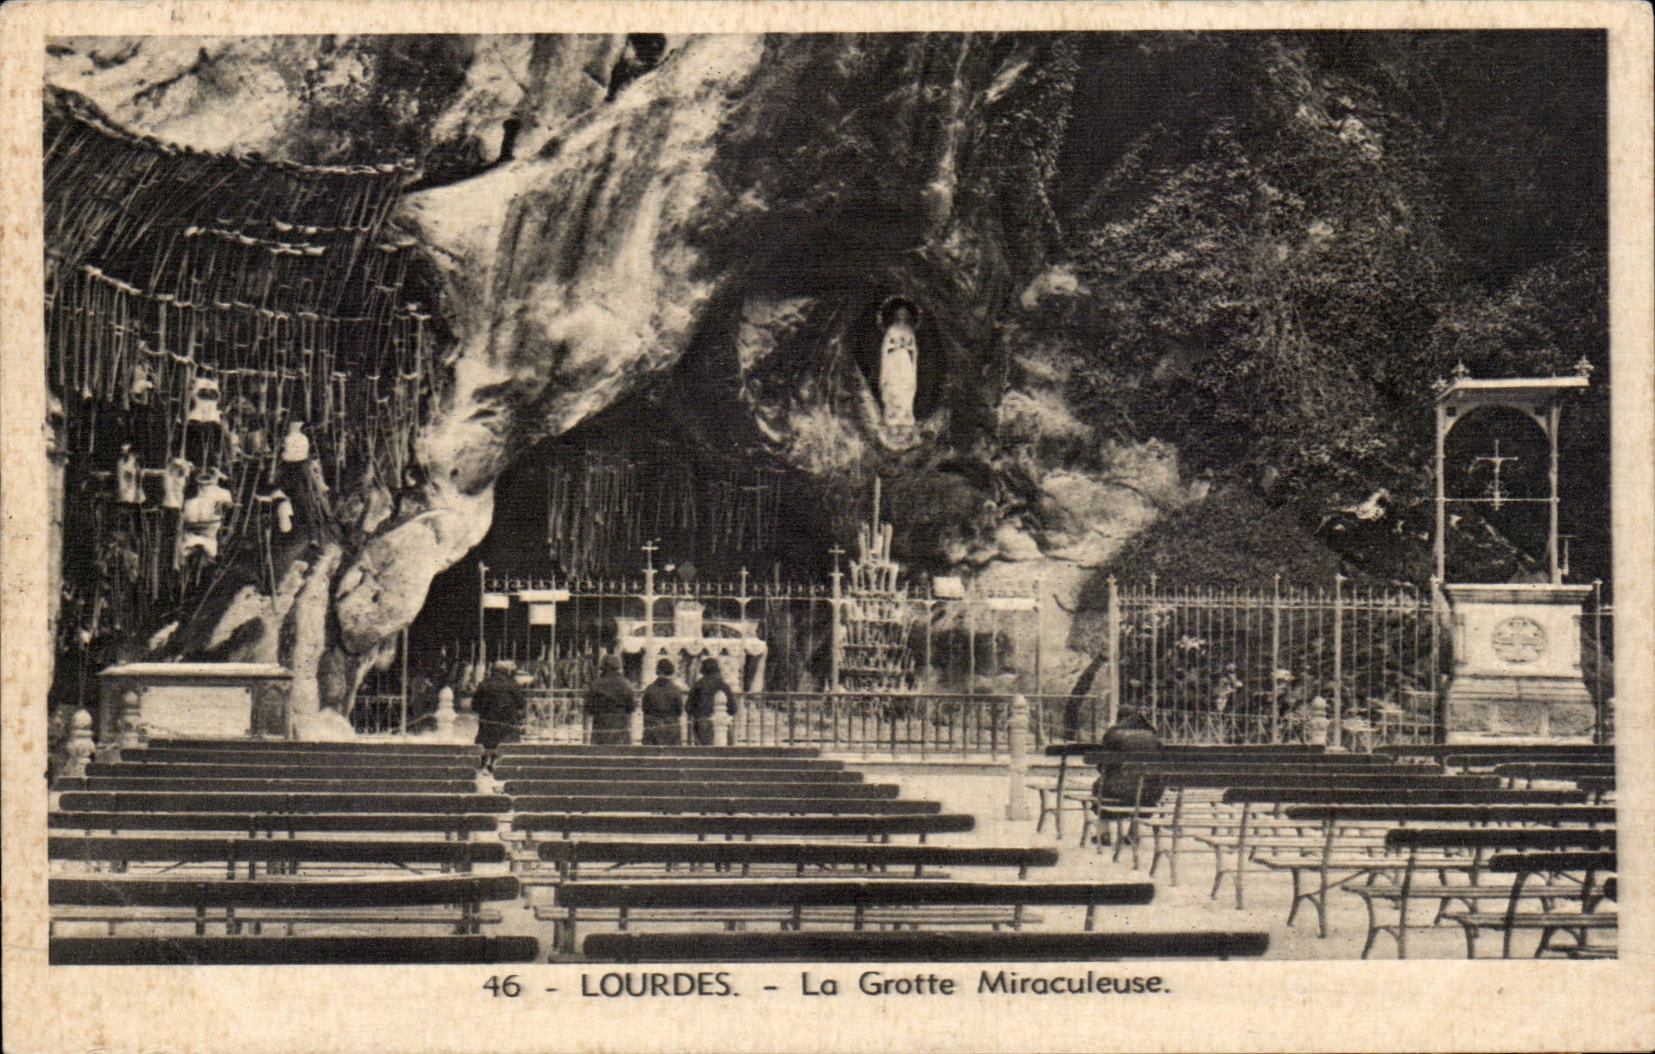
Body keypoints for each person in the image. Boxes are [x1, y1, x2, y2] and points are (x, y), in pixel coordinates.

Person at [1089, 708, 1164, 847]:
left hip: (1120, 789)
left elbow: (1103, 766)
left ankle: (1103, 832)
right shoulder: (1152, 735)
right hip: (1152, 792)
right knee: (1143, 785)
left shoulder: (1113, 734)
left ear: (1120, 719)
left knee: (1100, 786)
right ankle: (1134, 833)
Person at [470, 662, 527, 770]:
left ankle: (483, 763)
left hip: (487, 722)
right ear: (506, 671)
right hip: (507, 722)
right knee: (507, 740)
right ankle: (500, 763)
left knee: (485, 740)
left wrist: (484, 712)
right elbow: (521, 703)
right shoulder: (512, 685)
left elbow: (475, 705)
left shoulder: (484, 684)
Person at [586, 653, 635, 745]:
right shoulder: (626, 684)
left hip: (600, 725)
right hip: (621, 725)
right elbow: (631, 707)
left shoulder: (596, 684)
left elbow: (589, 707)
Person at [687, 657, 735, 746]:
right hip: (721, 723)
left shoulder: (698, 684)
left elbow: (688, 706)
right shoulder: (723, 685)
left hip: (702, 722)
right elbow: (733, 708)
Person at [640, 657, 684, 746]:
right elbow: (679, 710)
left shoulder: (650, 689)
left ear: (658, 670)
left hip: (653, 728)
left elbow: (644, 708)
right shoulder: (676, 690)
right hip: (671, 729)